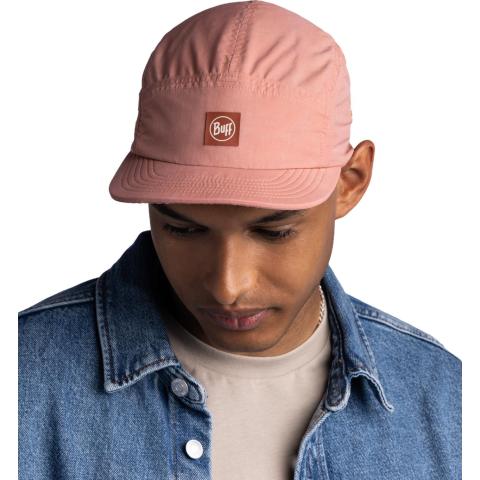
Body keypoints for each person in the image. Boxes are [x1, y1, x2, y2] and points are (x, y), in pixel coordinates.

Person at [18, 1, 461, 479]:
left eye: (274, 232)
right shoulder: (23, 377)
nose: (227, 286)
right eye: (183, 229)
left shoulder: (443, 397)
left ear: (350, 182)